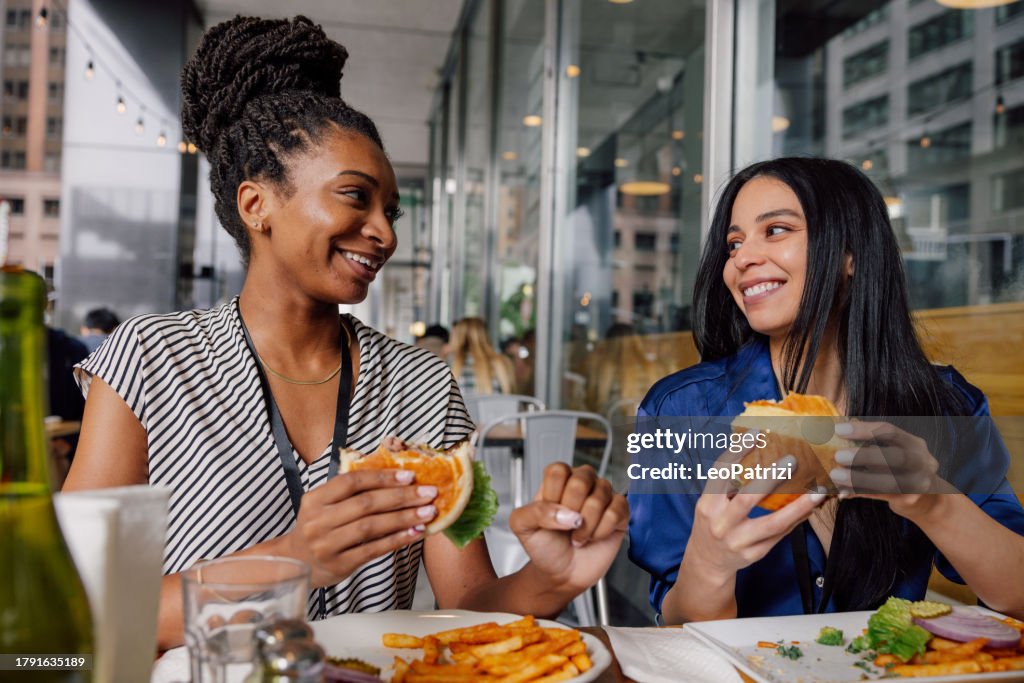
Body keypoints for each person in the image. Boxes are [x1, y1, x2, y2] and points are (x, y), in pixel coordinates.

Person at [63, 16, 627, 649]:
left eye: (391, 210)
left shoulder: (426, 386)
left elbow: (468, 601)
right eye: (356, 197)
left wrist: (551, 580)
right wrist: (295, 559)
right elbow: (80, 601)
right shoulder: (148, 359)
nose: (385, 232)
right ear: (257, 206)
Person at [628, 157, 1024, 623]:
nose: (741, 258)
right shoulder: (676, 409)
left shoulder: (945, 404)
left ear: (850, 255)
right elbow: (676, 630)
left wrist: (934, 502)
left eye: (775, 230)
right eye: (733, 243)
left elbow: (1015, 596)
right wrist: (709, 563)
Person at [449, 317, 515, 395]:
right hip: (495, 406)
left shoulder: (452, 364)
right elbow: (508, 396)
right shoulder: (501, 362)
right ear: (485, 335)